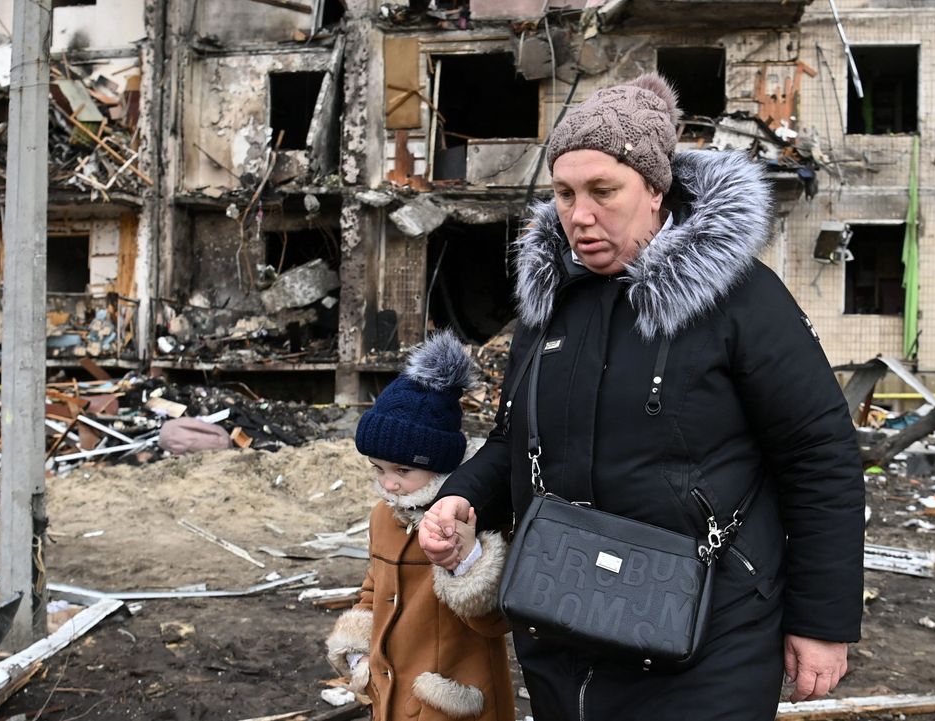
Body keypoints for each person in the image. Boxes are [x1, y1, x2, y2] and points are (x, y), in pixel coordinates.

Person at [421, 74, 865, 721]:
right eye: (565, 193)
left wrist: (822, 621)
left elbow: (820, 456)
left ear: (656, 189)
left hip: (713, 631)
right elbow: (517, 439)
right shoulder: (550, 307)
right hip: (565, 616)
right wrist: (461, 495)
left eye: (604, 191)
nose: (579, 214)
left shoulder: (741, 297)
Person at [325, 330, 515, 721]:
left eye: (403, 470)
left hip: (451, 703)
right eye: (378, 468)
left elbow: (496, 621)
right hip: (390, 695)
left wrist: (465, 564)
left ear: (441, 463)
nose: (389, 483)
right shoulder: (384, 515)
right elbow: (373, 586)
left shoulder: (473, 517)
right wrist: (361, 650)